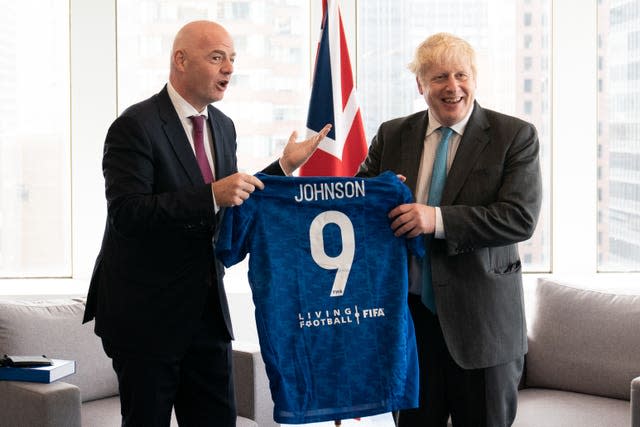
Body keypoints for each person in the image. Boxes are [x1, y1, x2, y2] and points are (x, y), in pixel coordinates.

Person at [82, 20, 330, 427]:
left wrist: (283, 168)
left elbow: (231, 203)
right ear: (180, 60)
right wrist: (211, 195)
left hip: (207, 315)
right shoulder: (135, 126)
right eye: (217, 57)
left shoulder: (223, 126)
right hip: (146, 318)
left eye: (232, 58)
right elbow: (128, 213)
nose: (229, 68)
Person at [356, 33, 542, 427]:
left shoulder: (514, 136)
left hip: (483, 327)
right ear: (420, 85)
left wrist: (435, 219)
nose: (452, 86)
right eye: (439, 76)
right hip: (409, 325)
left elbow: (519, 217)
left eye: (461, 74)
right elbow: (358, 206)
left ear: (474, 79)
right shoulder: (392, 134)